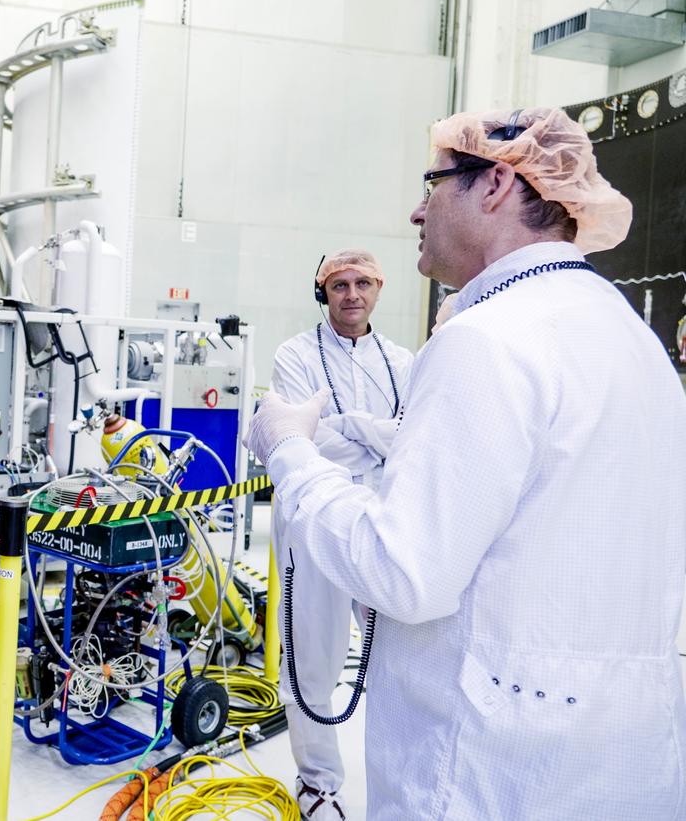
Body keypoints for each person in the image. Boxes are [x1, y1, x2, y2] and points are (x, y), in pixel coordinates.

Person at [246, 107, 686, 818]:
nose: (416, 210)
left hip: (493, 769)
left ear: (496, 184)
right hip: (625, 763)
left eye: (433, 183)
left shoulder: (486, 338)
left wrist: (290, 451)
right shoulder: (632, 337)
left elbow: (404, 571)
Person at [270, 249, 413, 820]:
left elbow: (416, 436)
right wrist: (377, 434)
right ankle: (319, 784)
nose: (351, 294)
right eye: (338, 285)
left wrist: (347, 426)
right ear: (322, 293)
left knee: (397, 657)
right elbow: (305, 440)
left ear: (378, 288)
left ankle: (400, 777)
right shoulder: (295, 355)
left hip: (381, 519)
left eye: (361, 283)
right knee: (313, 658)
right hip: (314, 521)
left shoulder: (402, 360)